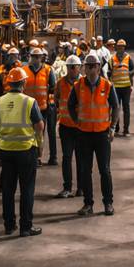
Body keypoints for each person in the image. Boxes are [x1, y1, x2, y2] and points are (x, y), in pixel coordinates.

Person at [0, 67, 45, 237]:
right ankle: (25, 227)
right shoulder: (29, 101)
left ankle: (9, 225)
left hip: (5, 150)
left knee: (8, 189)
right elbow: (39, 126)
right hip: (26, 150)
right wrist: (40, 146)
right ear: (23, 82)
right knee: (27, 189)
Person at [68, 53, 119, 216]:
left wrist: (112, 128)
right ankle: (88, 204)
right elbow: (70, 105)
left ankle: (108, 203)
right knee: (85, 170)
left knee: (104, 170)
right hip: (84, 135)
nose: (90, 69)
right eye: (87, 66)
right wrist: (77, 122)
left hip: (102, 135)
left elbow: (116, 107)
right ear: (84, 67)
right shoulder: (78, 86)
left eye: (93, 66)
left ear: (98, 67)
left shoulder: (107, 85)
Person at [23, 46, 58, 167]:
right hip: (29, 108)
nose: (36, 59)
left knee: (49, 132)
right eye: (34, 57)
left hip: (44, 107)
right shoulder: (24, 70)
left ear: (42, 58)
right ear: (30, 57)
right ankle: (35, 157)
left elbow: (53, 88)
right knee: (32, 134)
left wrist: (51, 104)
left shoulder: (48, 70)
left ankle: (52, 157)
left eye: (38, 57)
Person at [53, 55, 82, 198]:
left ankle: (81, 188)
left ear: (79, 67)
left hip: (80, 127)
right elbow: (57, 99)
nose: (71, 70)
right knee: (67, 157)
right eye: (69, 67)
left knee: (81, 158)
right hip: (65, 126)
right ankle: (67, 187)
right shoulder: (60, 83)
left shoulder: (84, 83)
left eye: (74, 67)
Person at [110, 39, 134, 136]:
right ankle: (116, 127)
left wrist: (129, 74)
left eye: (122, 46)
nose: (121, 48)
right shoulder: (112, 58)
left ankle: (126, 129)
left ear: (124, 47)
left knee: (126, 108)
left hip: (126, 87)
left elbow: (133, 70)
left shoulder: (128, 58)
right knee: (116, 107)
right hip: (115, 87)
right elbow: (108, 71)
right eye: (119, 46)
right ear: (117, 47)